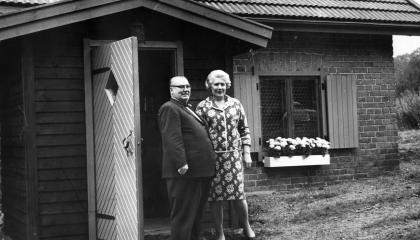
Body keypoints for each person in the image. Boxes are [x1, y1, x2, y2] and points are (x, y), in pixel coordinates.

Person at [195, 70, 256, 240]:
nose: (220, 87)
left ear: (227, 85)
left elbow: (244, 129)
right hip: (213, 158)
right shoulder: (203, 106)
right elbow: (199, 134)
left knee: (238, 194)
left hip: (234, 157)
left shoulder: (236, 104)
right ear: (210, 86)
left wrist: (246, 153)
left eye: (222, 84)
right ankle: (220, 232)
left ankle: (246, 226)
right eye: (216, 84)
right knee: (216, 197)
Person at [158, 76, 216, 240]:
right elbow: (172, 138)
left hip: (199, 172)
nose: (185, 89)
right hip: (185, 173)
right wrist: (181, 163)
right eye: (180, 87)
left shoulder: (186, 108)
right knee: (184, 217)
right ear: (171, 90)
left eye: (187, 86)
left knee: (196, 216)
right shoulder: (169, 108)